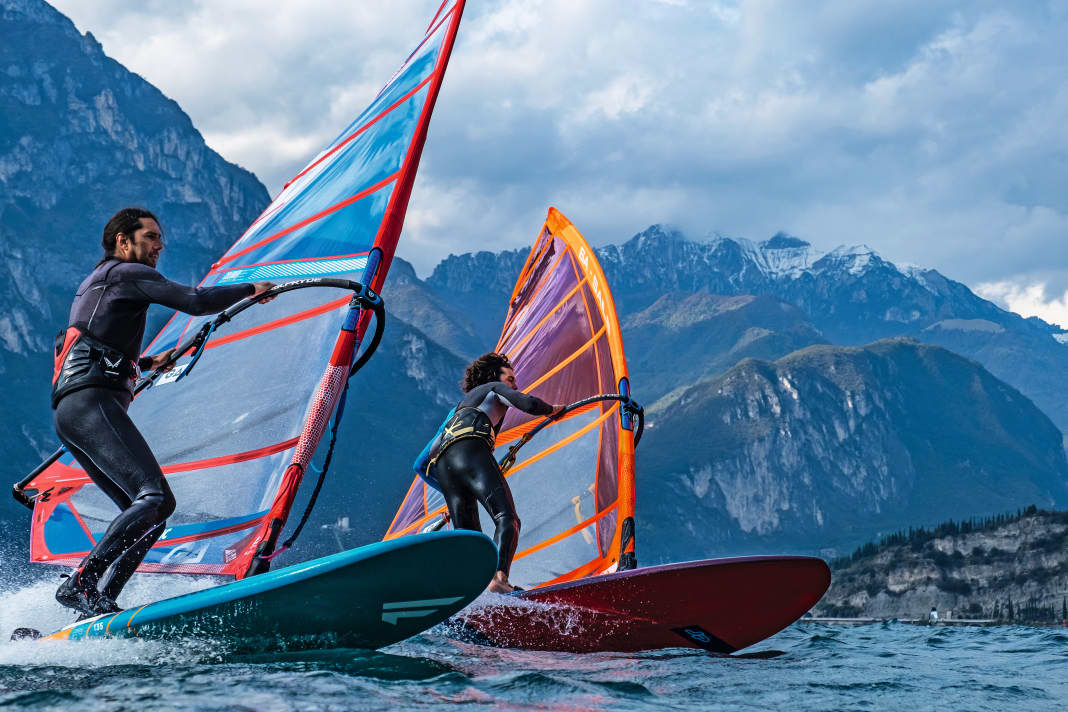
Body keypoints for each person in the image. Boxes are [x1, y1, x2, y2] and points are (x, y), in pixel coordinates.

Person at [52, 207, 275, 617]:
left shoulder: (95, 285)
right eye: (151, 236)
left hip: (74, 410)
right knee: (153, 497)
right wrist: (252, 288)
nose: (160, 245)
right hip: (92, 402)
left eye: (159, 238)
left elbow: (93, 340)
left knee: (150, 513)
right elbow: (197, 300)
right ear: (123, 240)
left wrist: (147, 362)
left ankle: (98, 599)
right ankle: (82, 583)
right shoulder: (124, 272)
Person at [420, 352, 562, 593]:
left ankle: (472, 595)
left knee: (470, 541)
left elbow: (424, 461)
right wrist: (552, 409)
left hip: (444, 466)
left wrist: (452, 486)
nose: (515, 385)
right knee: (507, 518)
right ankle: (499, 579)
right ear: (493, 377)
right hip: (471, 451)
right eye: (511, 379)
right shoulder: (493, 388)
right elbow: (527, 403)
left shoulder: (458, 411)